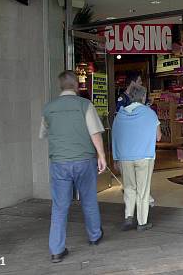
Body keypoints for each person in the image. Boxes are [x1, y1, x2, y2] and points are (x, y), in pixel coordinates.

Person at [40, 70, 107, 263]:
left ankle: (56, 249)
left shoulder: (49, 108)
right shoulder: (84, 105)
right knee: (88, 199)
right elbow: (95, 132)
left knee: (59, 206)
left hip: (59, 163)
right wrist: (101, 155)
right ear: (76, 85)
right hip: (84, 160)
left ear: (60, 86)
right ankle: (94, 235)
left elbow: (43, 132)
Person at [112, 84, 161, 232]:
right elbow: (158, 136)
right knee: (143, 190)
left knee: (129, 187)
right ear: (143, 97)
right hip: (144, 156)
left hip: (125, 157)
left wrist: (116, 158)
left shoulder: (120, 114)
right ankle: (142, 222)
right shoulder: (150, 113)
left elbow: (115, 137)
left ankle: (128, 216)